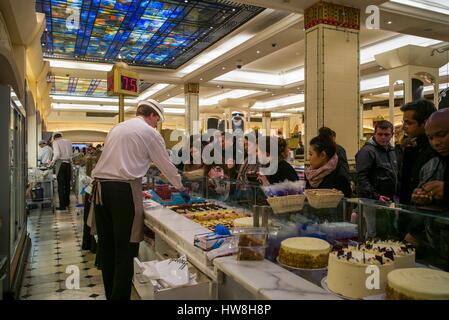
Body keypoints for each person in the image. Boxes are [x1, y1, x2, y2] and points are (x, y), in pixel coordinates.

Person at [90, 100, 188, 300]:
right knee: (126, 250)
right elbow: (165, 165)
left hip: (100, 190)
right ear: (152, 115)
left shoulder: (118, 128)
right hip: (122, 191)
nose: (156, 125)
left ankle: (112, 296)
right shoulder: (150, 133)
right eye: (157, 121)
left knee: (108, 249)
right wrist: (180, 186)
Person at [411, 108, 449, 269]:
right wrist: (422, 198)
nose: (436, 142)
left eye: (441, 135)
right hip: (438, 249)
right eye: (431, 138)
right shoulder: (433, 164)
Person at [397, 99, 437, 240]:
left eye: (409, 123)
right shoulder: (413, 147)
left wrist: (415, 229)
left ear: (426, 122)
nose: (404, 127)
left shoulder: (434, 152)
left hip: (427, 229)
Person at [356, 120, 398, 238]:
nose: (383, 137)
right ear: (374, 134)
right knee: (372, 231)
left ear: (392, 135)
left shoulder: (392, 151)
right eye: (380, 134)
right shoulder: (367, 151)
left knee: (385, 229)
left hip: (388, 198)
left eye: (386, 134)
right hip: (371, 199)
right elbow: (361, 177)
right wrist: (375, 195)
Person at [50, 132, 73, 211]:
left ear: (54, 137)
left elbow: (57, 154)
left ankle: (62, 206)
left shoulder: (56, 142)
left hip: (61, 164)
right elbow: (71, 154)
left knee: (61, 186)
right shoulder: (69, 141)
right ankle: (67, 202)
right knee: (67, 185)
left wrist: (52, 161)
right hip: (68, 165)